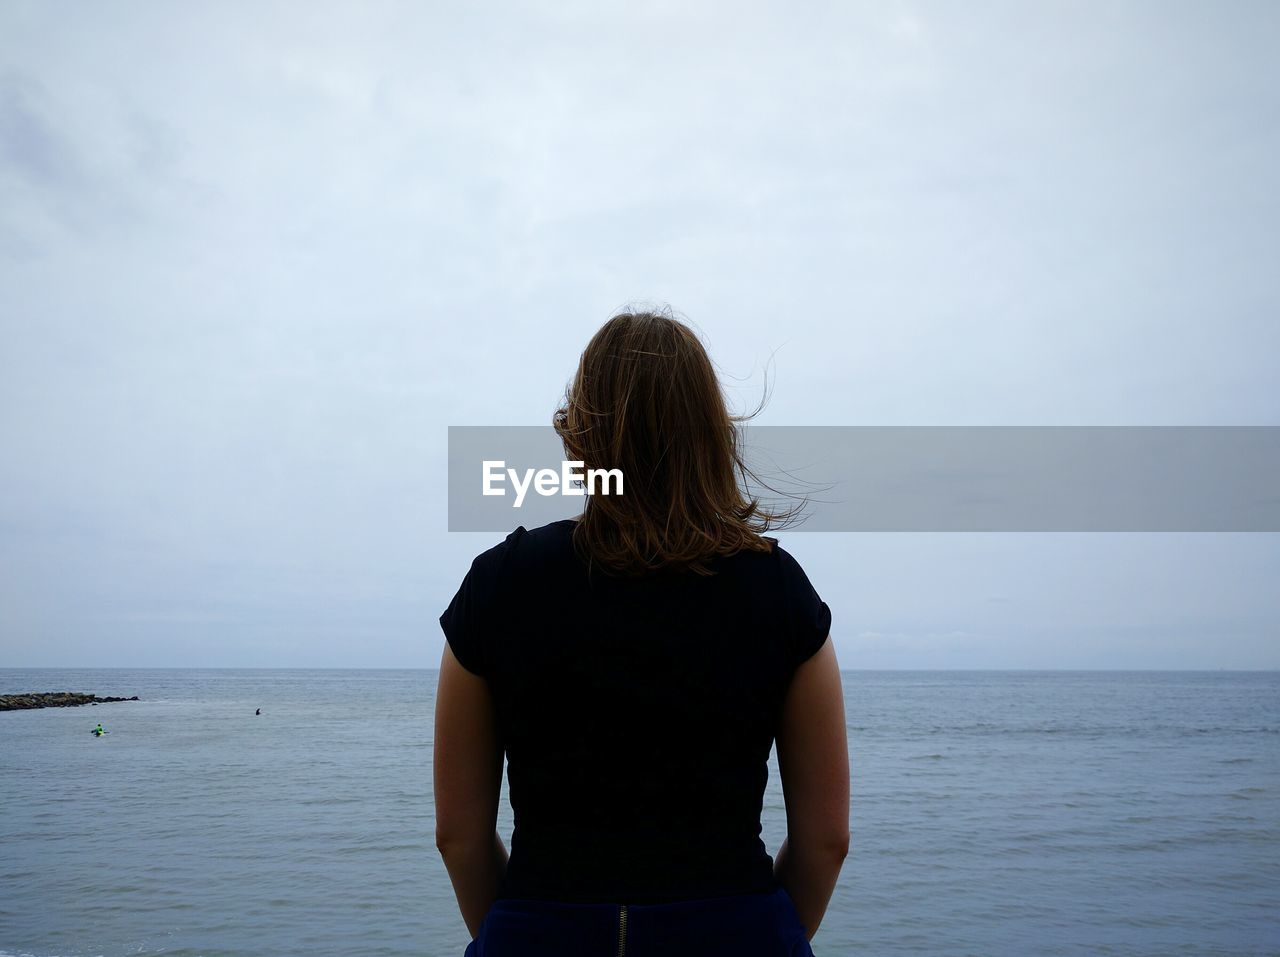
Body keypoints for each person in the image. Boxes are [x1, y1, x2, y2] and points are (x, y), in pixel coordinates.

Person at [435, 309, 849, 956]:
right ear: (711, 434)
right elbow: (827, 838)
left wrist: (518, 931)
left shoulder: (498, 584)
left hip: (540, 927)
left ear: (582, 430)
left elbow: (458, 835)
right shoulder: (780, 591)